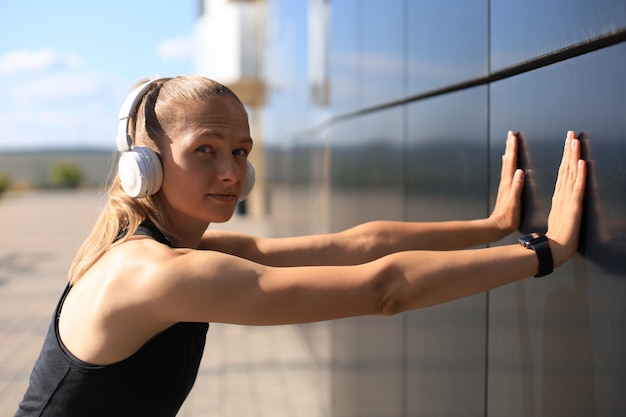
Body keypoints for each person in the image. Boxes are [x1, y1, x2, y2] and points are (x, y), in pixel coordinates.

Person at [15, 75, 587, 417]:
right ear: (145, 166)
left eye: (240, 151)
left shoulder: (169, 251)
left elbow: (357, 244)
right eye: (205, 150)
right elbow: (383, 289)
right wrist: (544, 251)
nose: (230, 172)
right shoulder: (153, 273)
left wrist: (490, 227)